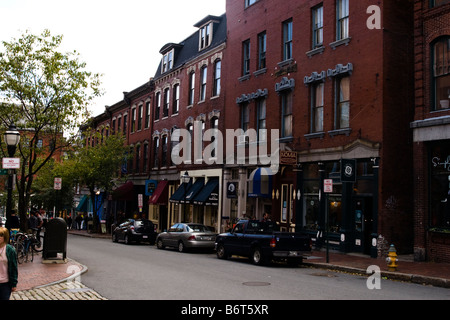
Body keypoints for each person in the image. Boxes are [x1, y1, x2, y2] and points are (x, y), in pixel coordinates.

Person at [0, 227, 18, 300]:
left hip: (5, 283)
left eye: (1, 235)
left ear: (5, 237)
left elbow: (14, 267)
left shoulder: (10, 250)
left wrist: (14, 283)